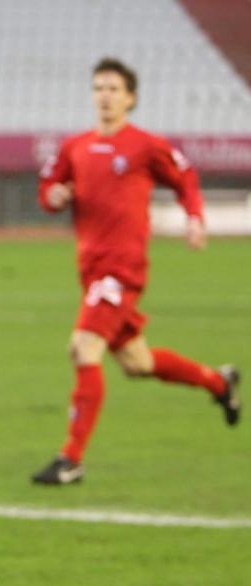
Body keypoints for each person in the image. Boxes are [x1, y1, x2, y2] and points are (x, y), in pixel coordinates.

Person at [31, 57, 240, 486]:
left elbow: (185, 178)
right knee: (137, 362)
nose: (104, 96)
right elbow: (48, 190)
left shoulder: (145, 145)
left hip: (121, 269)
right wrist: (53, 196)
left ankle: (71, 458)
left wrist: (195, 218)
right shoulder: (76, 146)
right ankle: (219, 382)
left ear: (130, 98)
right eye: (98, 88)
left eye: (113, 89)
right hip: (90, 270)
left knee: (83, 348)